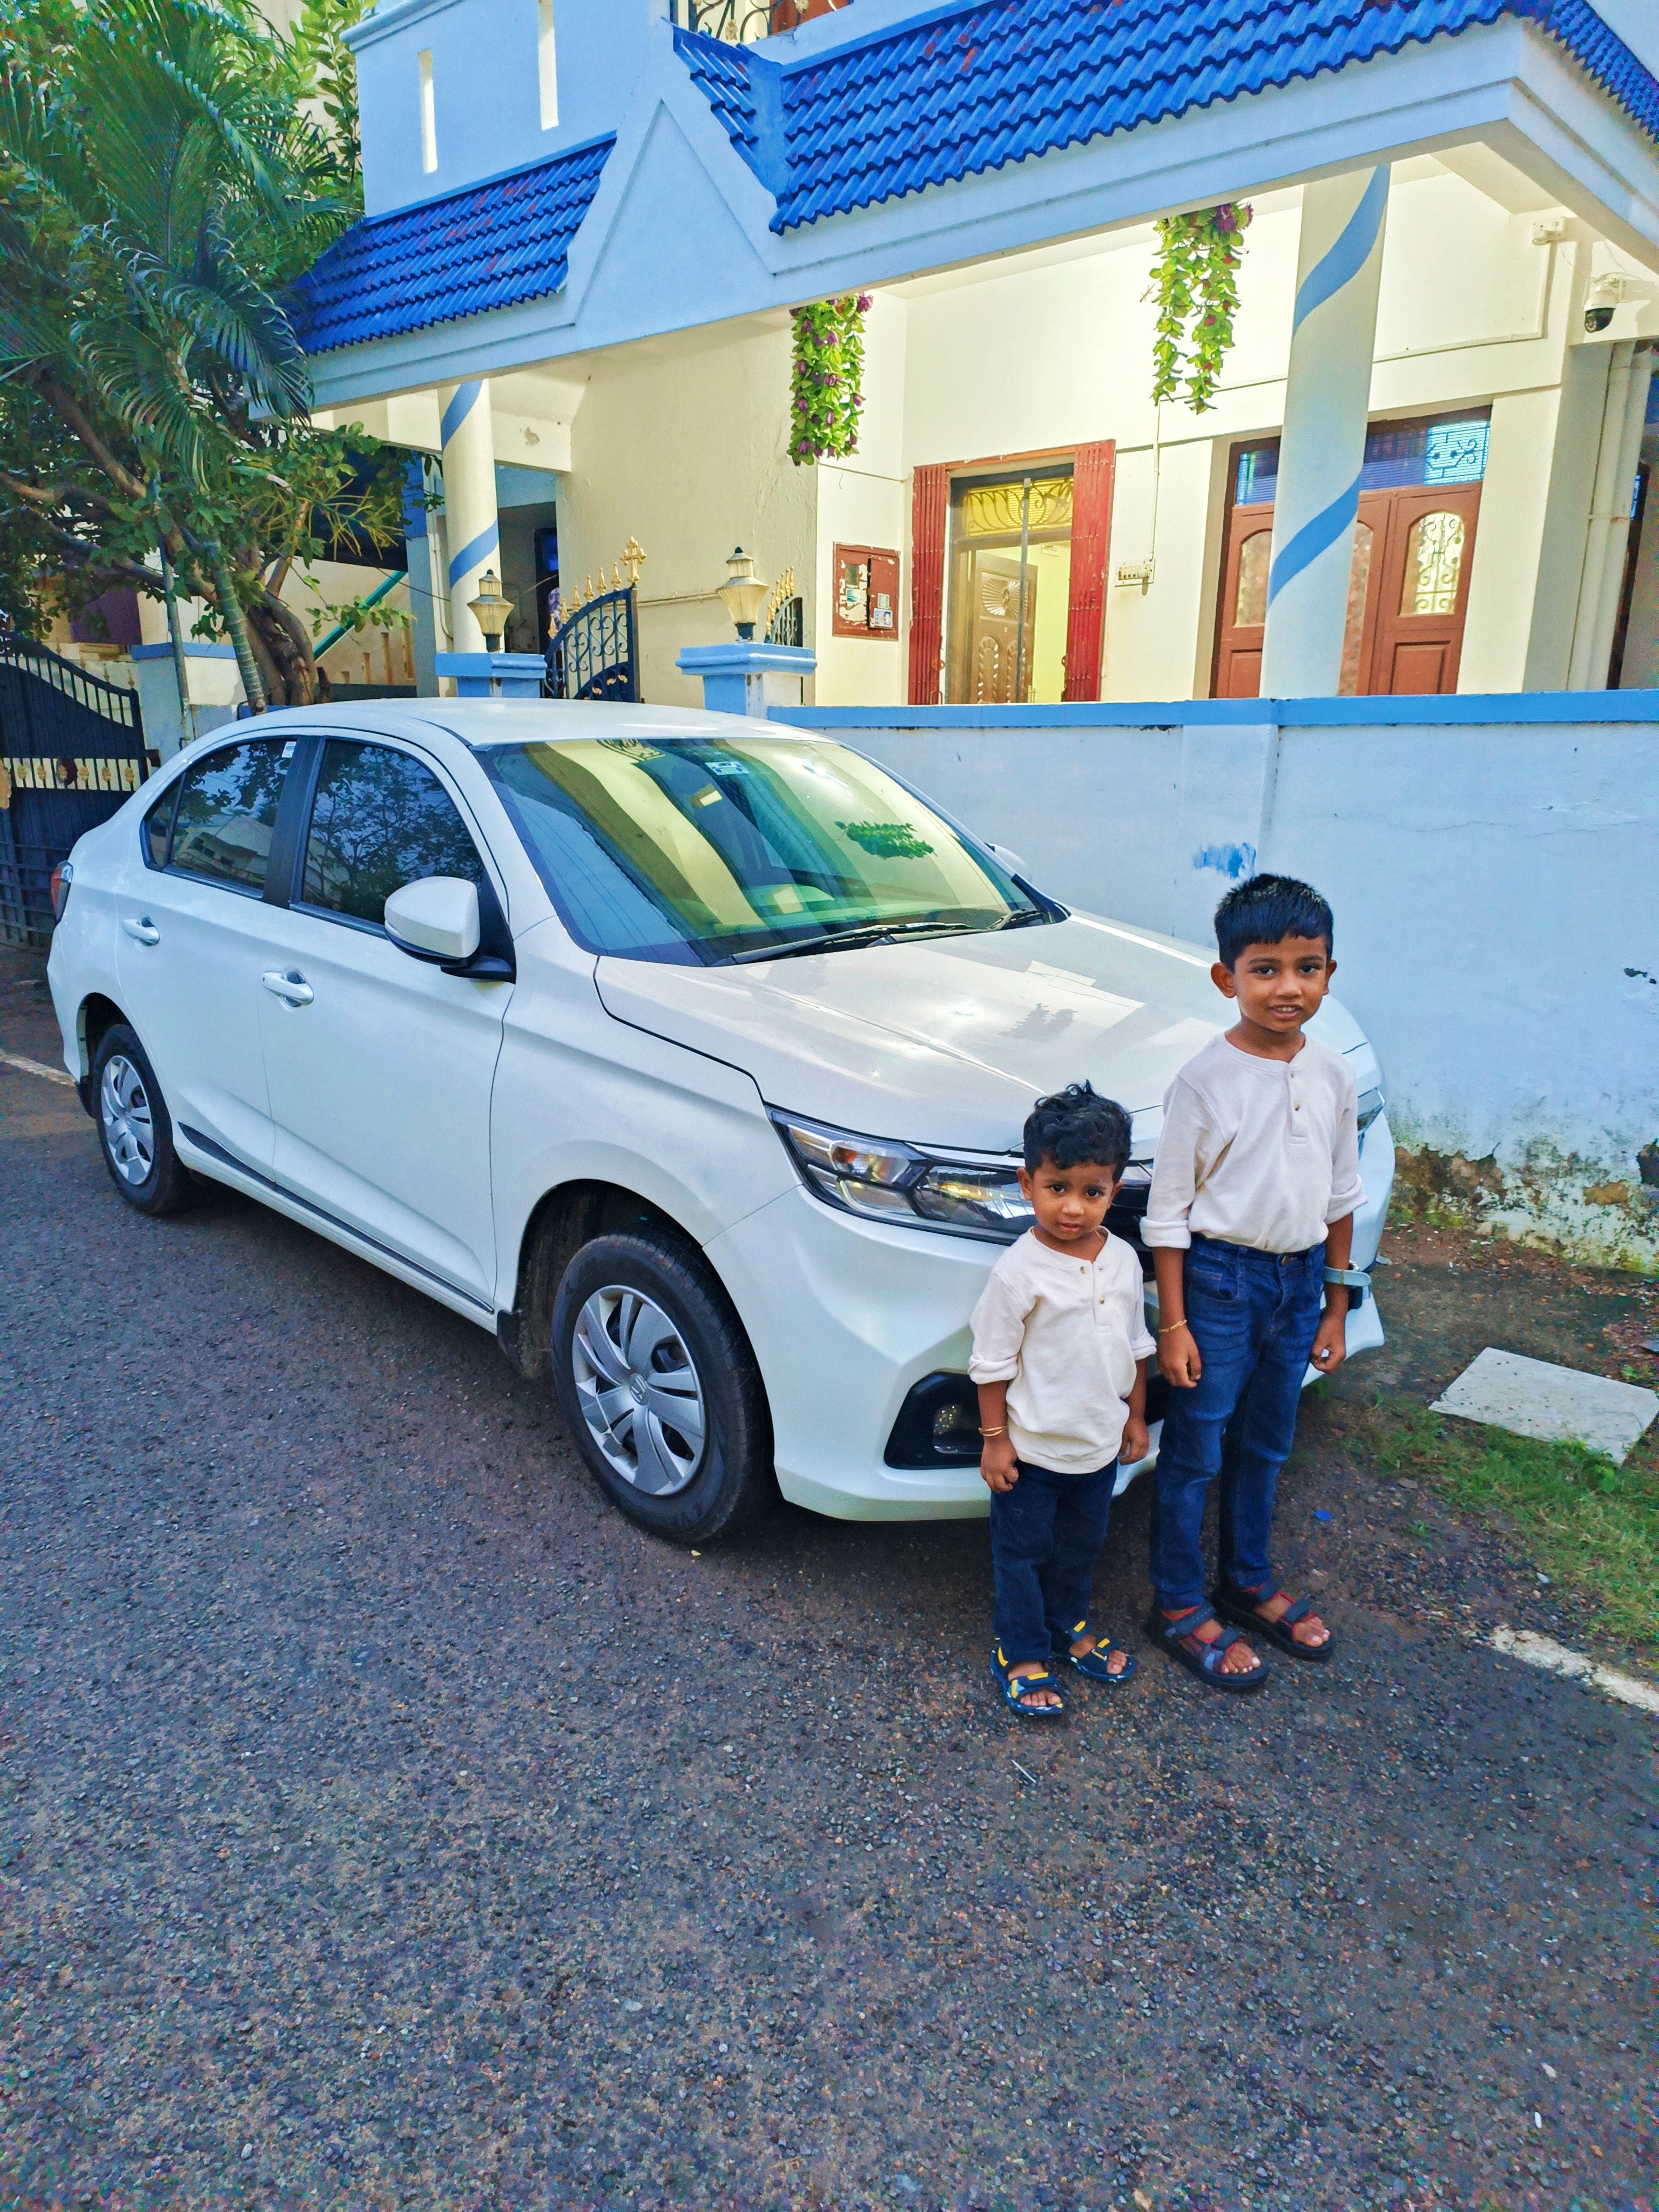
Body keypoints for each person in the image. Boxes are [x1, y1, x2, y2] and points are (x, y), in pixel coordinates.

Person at [1142, 873, 1365, 1692]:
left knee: (1268, 1443)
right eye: (1264, 969)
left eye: (1307, 967)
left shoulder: (1334, 1074)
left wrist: (1336, 1303)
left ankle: (1244, 1581)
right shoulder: (1205, 1081)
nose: (1288, 987)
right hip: (1221, 1285)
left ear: (1330, 974)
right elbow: (1166, 1216)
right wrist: (1175, 1324)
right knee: (1197, 1451)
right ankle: (1175, 1603)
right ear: (1226, 978)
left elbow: (1342, 1194)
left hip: (1300, 1283)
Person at [969, 1083, 1154, 1719]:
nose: (1073, 1208)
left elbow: (1135, 1345)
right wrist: (995, 1440)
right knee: (1021, 1555)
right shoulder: (1017, 1273)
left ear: (1115, 1189)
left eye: (1092, 1191)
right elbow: (990, 1364)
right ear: (1028, 1184)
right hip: (1033, 1452)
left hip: (1098, 1449)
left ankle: (1069, 1626)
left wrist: (1134, 1415)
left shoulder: (1124, 1260)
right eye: (1058, 1188)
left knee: (1081, 1547)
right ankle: (1020, 1651)